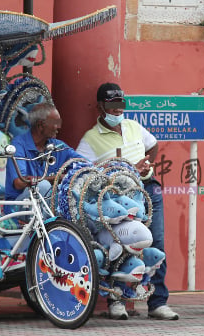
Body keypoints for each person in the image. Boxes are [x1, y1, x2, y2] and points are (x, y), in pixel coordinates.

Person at [76, 82, 179, 321]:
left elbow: (153, 145)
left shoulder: (133, 126)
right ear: (100, 107)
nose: (117, 110)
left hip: (148, 190)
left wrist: (146, 163)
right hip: (119, 201)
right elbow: (83, 174)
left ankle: (158, 302)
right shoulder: (90, 140)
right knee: (119, 247)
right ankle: (117, 301)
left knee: (157, 244)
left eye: (120, 104)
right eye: (112, 105)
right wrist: (124, 169)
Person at [5, 102, 86, 204]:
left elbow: (84, 163)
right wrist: (57, 178)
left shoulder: (58, 145)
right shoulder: (18, 145)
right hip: (20, 206)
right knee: (43, 186)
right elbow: (19, 183)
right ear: (40, 125)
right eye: (55, 123)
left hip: (48, 204)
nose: (58, 127)